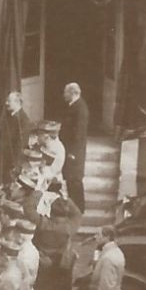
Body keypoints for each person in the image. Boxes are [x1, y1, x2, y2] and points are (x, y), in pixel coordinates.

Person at [32, 190, 81, 290]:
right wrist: (65, 198)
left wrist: (39, 193)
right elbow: (77, 212)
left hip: (45, 268)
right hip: (61, 269)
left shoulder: (44, 225)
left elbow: (29, 211)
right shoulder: (69, 227)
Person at [0, 91, 34, 192]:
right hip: (3, 162)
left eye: (9, 101)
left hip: (11, 166)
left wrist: (15, 169)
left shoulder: (23, 121)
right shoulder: (9, 116)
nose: (6, 103)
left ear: (17, 102)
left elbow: (20, 147)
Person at [59, 82, 89, 211]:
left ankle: (78, 209)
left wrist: (72, 153)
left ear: (72, 93)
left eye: (66, 92)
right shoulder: (73, 106)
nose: (63, 95)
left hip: (74, 153)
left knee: (75, 181)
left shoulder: (80, 109)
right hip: (69, 150)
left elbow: (79, 134)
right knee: (71, 181)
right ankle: (74, 209)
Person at [36, 121, 66, 192]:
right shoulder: (48, 146)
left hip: (51, 182)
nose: (37, 137)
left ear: (46, 136)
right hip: (48, 178)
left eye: (39, 134)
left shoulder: (54, 148)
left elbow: (46, 171)